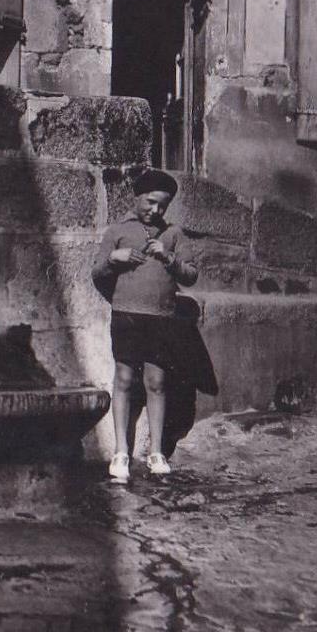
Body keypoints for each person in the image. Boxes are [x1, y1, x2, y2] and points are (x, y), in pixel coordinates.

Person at [91, 167, 198, 481]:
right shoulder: (117, 231)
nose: (156, 210)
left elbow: (191, 276)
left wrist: (169, 258)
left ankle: (156, 452)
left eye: (162, 205)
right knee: (124, 380)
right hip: (126, 316)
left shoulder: (174, 234)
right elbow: (97, 275)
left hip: (161, 319)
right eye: (150, 202)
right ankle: (121, 451)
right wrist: (115, 258)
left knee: (156, 383)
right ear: (136, 197)